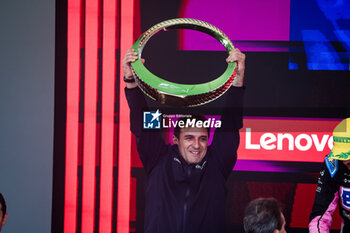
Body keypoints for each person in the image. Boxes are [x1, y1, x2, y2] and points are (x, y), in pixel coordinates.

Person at [122, 48, 245, 233]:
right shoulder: (158, 160)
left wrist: (238, 79)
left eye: (202, 138)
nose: (196, 145)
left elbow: (230, 124)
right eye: (189, 138)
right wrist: (131, 80)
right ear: (175, 139)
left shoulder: (217, 163)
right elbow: (142, 122)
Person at [309, 118, 350, 232]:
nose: (344, 161)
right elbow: (320, 215)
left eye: (348, 155)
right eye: (341, 155)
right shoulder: (333, 164)